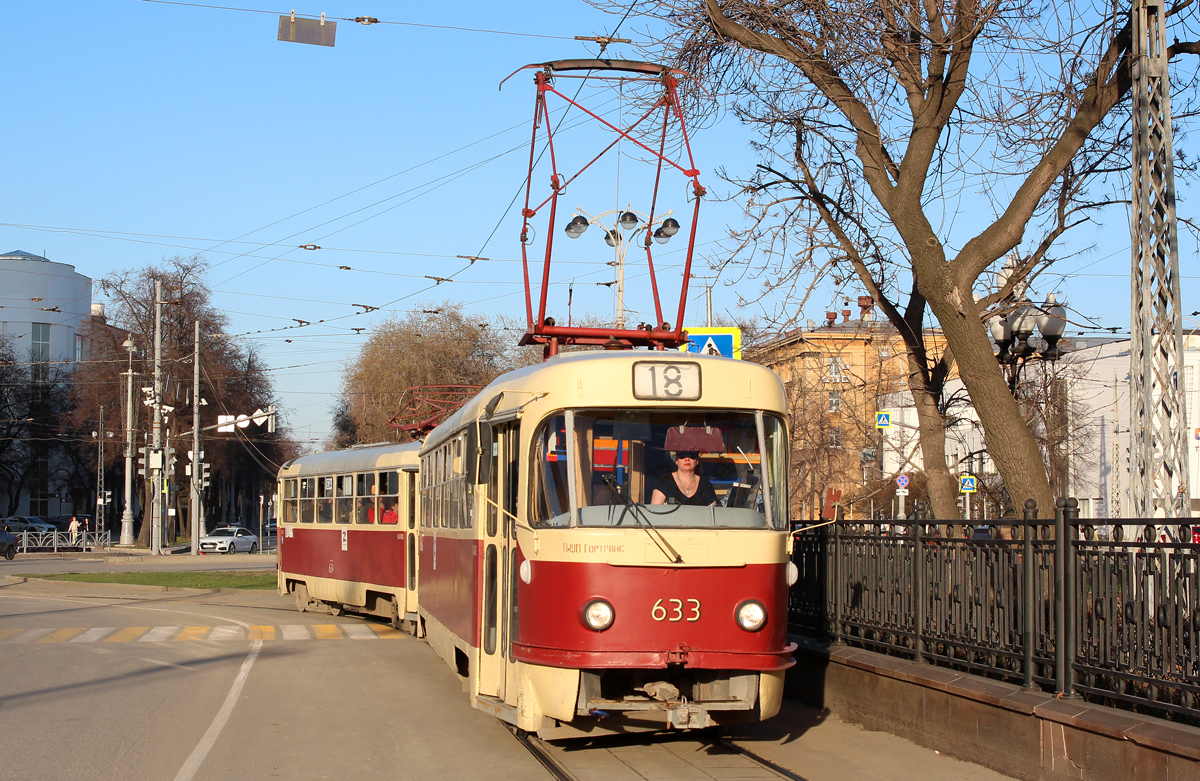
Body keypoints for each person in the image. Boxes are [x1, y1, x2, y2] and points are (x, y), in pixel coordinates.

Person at [650, 451, 717, 507]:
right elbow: (655, 513)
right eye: (682, 455)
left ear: (697, 461)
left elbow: (713, 516)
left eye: (692, 455)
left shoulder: (706, 485)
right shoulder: (664, 481)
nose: (687, 459)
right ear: (676, 460)